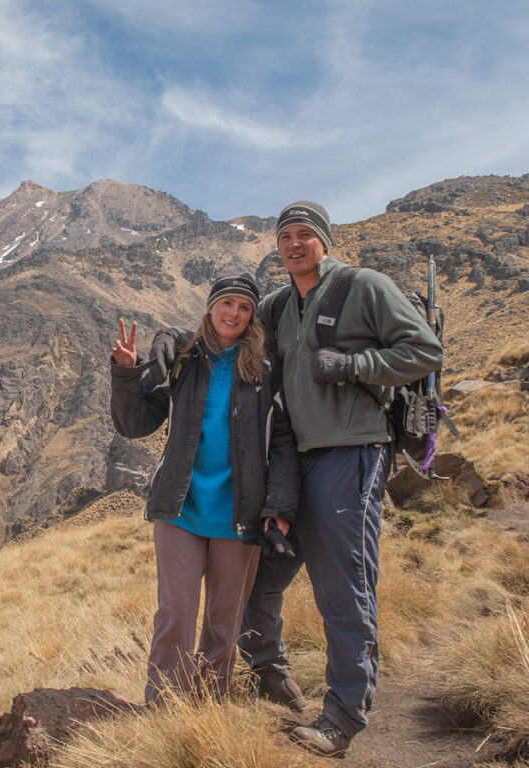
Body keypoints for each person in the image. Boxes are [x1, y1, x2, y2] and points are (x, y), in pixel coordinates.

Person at [238, 201, 444, 757]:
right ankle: (271, 680)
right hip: (292, 462)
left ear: (324, 241)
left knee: (340, 589)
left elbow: (425, 350)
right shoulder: (280, 305)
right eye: (285, 237)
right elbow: (236, 343)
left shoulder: (364, 287)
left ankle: (343, 716)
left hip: (352, 453)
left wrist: (356, 367)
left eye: (306, 235)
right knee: (256, 578)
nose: (295, 244)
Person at [109, 269, 299, 703]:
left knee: (223, 621)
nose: (234, 313)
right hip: (182, 510)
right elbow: (136, 424)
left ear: (252, 317)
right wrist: (126, 374)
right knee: (175, 614)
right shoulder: (185, 358)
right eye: (227, 303)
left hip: (240, 515)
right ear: (211, 307)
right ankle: (164, 707)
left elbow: (284, 442)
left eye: (244, 307)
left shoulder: (267, 369)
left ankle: (208, 707)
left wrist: (279, 510)